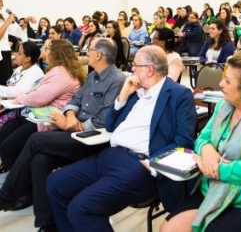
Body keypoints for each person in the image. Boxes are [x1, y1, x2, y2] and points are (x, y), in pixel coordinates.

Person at [47, 46, 196, 232]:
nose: (131, 70)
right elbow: (110, 125)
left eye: (135, 66)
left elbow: (184, 141)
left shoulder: (178, 94)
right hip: (110, 155)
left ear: (149, 70)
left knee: (82, 208)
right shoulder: (135, 91)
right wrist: (123, 95)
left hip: (140, 165)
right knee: (55, 183)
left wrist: (153, 163)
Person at [0, 38, 126, 231]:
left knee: (36, 139)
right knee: (39, 160)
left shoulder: (117, 80)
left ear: (98, 55)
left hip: (92, 138)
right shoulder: (93, 76)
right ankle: (47, 224)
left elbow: (105, 120)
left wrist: (74, 126)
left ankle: (7, 195)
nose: (86, 53)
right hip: (74, 130)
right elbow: (75, 100)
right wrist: (69, 116)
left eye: (89, 50)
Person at [162, 51, 241, 232]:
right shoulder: (225, 106)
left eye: (228, 81)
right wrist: (208, 152)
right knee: (168, 228)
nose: (221, 84)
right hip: (215, 188)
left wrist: (214, 169)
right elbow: (202, 138)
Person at [0, 39, 85, 173]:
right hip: (39, 114)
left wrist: (21, 98)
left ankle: (21, 186)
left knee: (8, 148)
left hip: (46, 119)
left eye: (47, 49)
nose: (44, 51)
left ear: (55, 53)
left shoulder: (61, 73)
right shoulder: (64, 70)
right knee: (5, 135)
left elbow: (40, 97)